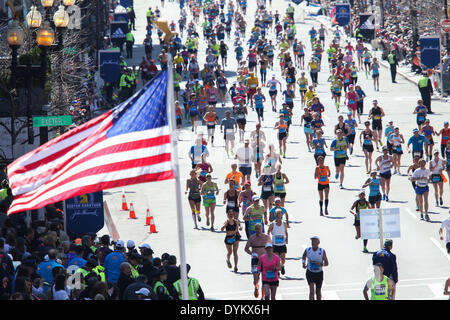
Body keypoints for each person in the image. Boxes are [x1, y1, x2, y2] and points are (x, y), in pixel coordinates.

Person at [244, 223, 271, 299]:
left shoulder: (266, 237)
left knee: (265, 279)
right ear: (255, 229)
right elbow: (246, 249)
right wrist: (252, 254)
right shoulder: (252, 238)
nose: (258, 230)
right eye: (256, 229)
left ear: (262, 229)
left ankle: (263, 296)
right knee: (256, 279)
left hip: (265, 260)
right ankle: (256, 287)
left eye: (259, 229)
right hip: (255, 260)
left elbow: (271, 247)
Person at [302, 236, 329, 300]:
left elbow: (327, 263)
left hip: (319, 273)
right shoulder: (308, 250)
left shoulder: (322, 251)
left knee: (318, 292)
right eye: (312, 241)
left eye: (315, 241)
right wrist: (303, 263)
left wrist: (321, 264)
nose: (313, 243)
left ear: (318, 242)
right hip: (310, 273)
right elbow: (304, 256)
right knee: (311, 292)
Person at [268, 209, 288, 275]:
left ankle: (282, 266)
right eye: (277, 214)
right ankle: (277, 270)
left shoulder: (284, 223)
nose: (278, 215)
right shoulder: (272, 224)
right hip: (275, 244)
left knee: (283, 259)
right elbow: (268, 233)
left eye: (280, 214)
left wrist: (287, 238)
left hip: (282, 244)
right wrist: (269, 241)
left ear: (281, 215)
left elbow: (286, 232)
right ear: (275, 215)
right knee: (276, 259)